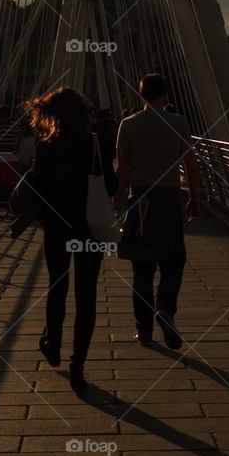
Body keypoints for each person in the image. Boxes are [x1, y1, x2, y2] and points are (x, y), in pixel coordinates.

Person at [25, 86, 116, 392]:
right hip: (88, 229)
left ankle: (53, 344)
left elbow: (38, 188)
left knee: (57, 286)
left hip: (57, 228)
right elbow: (112, 185)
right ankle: (78, 365)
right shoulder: (95, 144)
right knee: (86, 295)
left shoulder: (46, 146)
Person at [114, 73, 198, 350]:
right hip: (170, 199)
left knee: (142, 268)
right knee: (174, 262)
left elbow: (123, 169)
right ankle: (165, 309)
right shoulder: (179, 122)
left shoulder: (128, 125)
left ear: (140, 96)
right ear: (165, 95)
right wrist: (193, 199)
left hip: (141, 200)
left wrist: (119, 199)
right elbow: (190, 164)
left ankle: (144, 328)